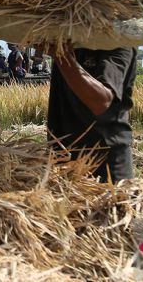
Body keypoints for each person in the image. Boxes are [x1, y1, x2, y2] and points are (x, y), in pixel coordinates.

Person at [47, 47, 137, 183]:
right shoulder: (71, 42)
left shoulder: (119, 43)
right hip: (64, 161)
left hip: (104, 167)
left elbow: (101, 102)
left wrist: (61, 56)